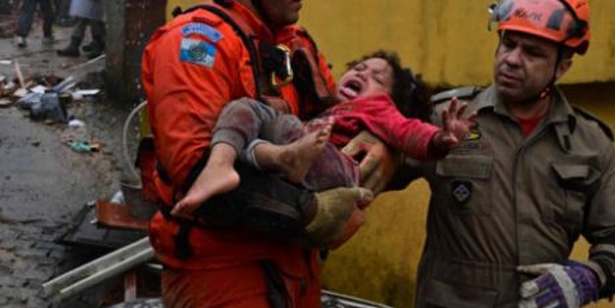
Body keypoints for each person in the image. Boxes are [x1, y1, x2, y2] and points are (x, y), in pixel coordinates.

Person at [142, 0, 373, 308]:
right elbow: (195, 172)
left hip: (293, 268)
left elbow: (340, 134)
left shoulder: (295, 47)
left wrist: (386, 148)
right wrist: (312, 213)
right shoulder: (195, 44)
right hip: (221, 269)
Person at [404, 0, 615, 308]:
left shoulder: (589, 142)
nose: (512, 59)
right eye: (507, 44)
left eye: (532, 52)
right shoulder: (449, 117)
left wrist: (589, 278)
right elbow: (367, 169)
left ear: (562, 66)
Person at [172, 51, 475, 218]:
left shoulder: (377, 107)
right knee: (249, 123)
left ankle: (267, 158)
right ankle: (242, 162)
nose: (362, 74)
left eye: (376, 77)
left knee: (256, 116)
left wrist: (439, 139)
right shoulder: (326, 109)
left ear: (390, 98)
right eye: (358, 67)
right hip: (302, 160)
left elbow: (408, 132)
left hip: (334, 167)